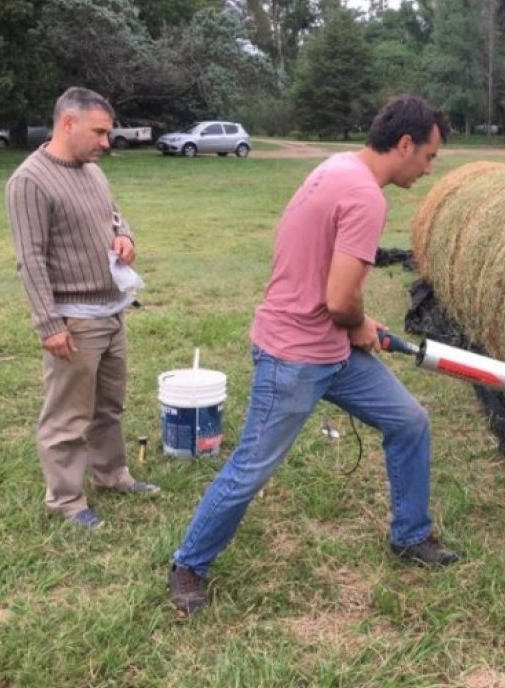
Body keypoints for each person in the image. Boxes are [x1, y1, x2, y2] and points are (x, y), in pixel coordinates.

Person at [168, 95, 460, 616]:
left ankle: (410, 535)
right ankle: (189, 564)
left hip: (332, 350)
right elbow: (340, 300)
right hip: (294, 355)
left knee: (410, 421)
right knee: (252, 466)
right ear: (405, 144)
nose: (428, 169)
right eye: (430, 157)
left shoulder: (339, 166)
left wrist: (353, 330)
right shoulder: (366, 197)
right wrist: (362, 324)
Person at [6, 87, 159, 530]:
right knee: (67, 416)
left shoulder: (92, 171)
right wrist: (49, 323)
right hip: (74, 317)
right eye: (99, 132)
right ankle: (67, 501)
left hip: (112, 308)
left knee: (109, 405)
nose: (106, 142)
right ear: (67, 123)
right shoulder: (29, 181)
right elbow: (29, 259)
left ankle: (112, 475)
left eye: (108, 133)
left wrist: (125, 236)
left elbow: (113, 216)